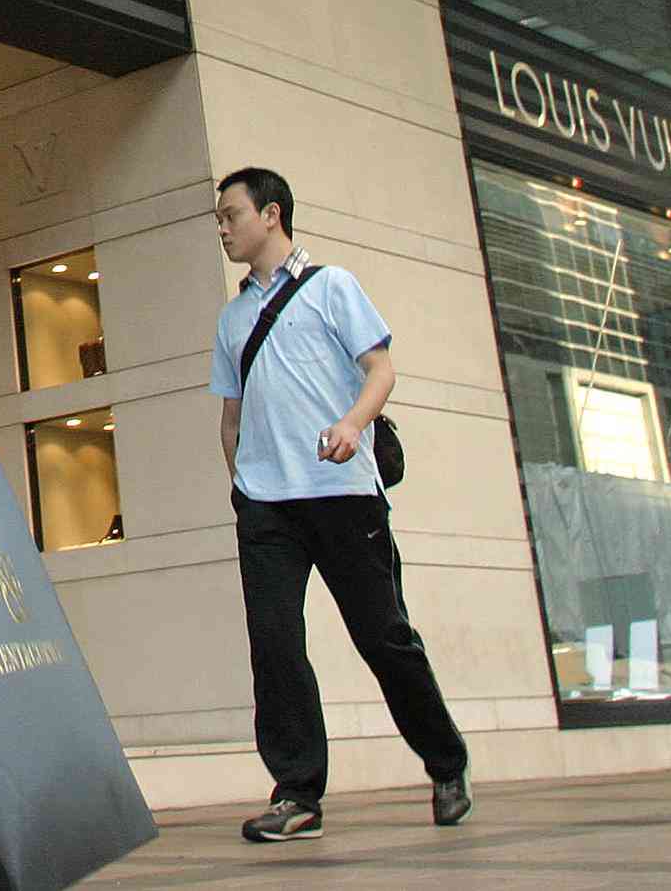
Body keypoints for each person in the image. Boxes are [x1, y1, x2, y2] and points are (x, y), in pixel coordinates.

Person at [210, 166, 472, 844]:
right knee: (274, 643)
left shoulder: (332, 287)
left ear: (271, 215)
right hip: (267, 506)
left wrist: (354, 425)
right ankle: (297, 795)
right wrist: (240, 485)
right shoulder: (233, 317)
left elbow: (380, 369)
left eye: (232, 215)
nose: (224, 229)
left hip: (343, 496)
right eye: (220, 218)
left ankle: (445, 762)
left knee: (382, 637)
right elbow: (231, 415)